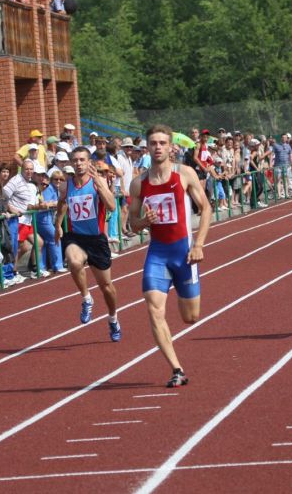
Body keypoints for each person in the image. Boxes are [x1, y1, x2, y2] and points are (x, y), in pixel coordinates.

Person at [128, 125, 211, 387]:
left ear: (170, 146)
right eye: (153, 143)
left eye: (163, 143)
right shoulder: (138, 183)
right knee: (153, 309)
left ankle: (181, 289)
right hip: (158, 253)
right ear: (147, 147)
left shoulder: (184, 174)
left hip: (184, 253)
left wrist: (198, 244)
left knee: (190, 317)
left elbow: (206, 208)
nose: (158, 147)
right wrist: (143, 220)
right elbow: (132, 224)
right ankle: (176, 369)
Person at [55, 147, 121, 341]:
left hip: (96, 239)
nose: (78, 163)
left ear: (89, 162)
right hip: (76, 237)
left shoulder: (97, 182)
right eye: (74, 160)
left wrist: (100, 185)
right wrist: (57, 225)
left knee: (107, 287)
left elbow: (111, 206)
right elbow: (61, 204)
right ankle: (86, 298)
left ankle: (113, 318)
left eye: (82, 160)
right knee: (74, 262)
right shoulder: (66, 186)